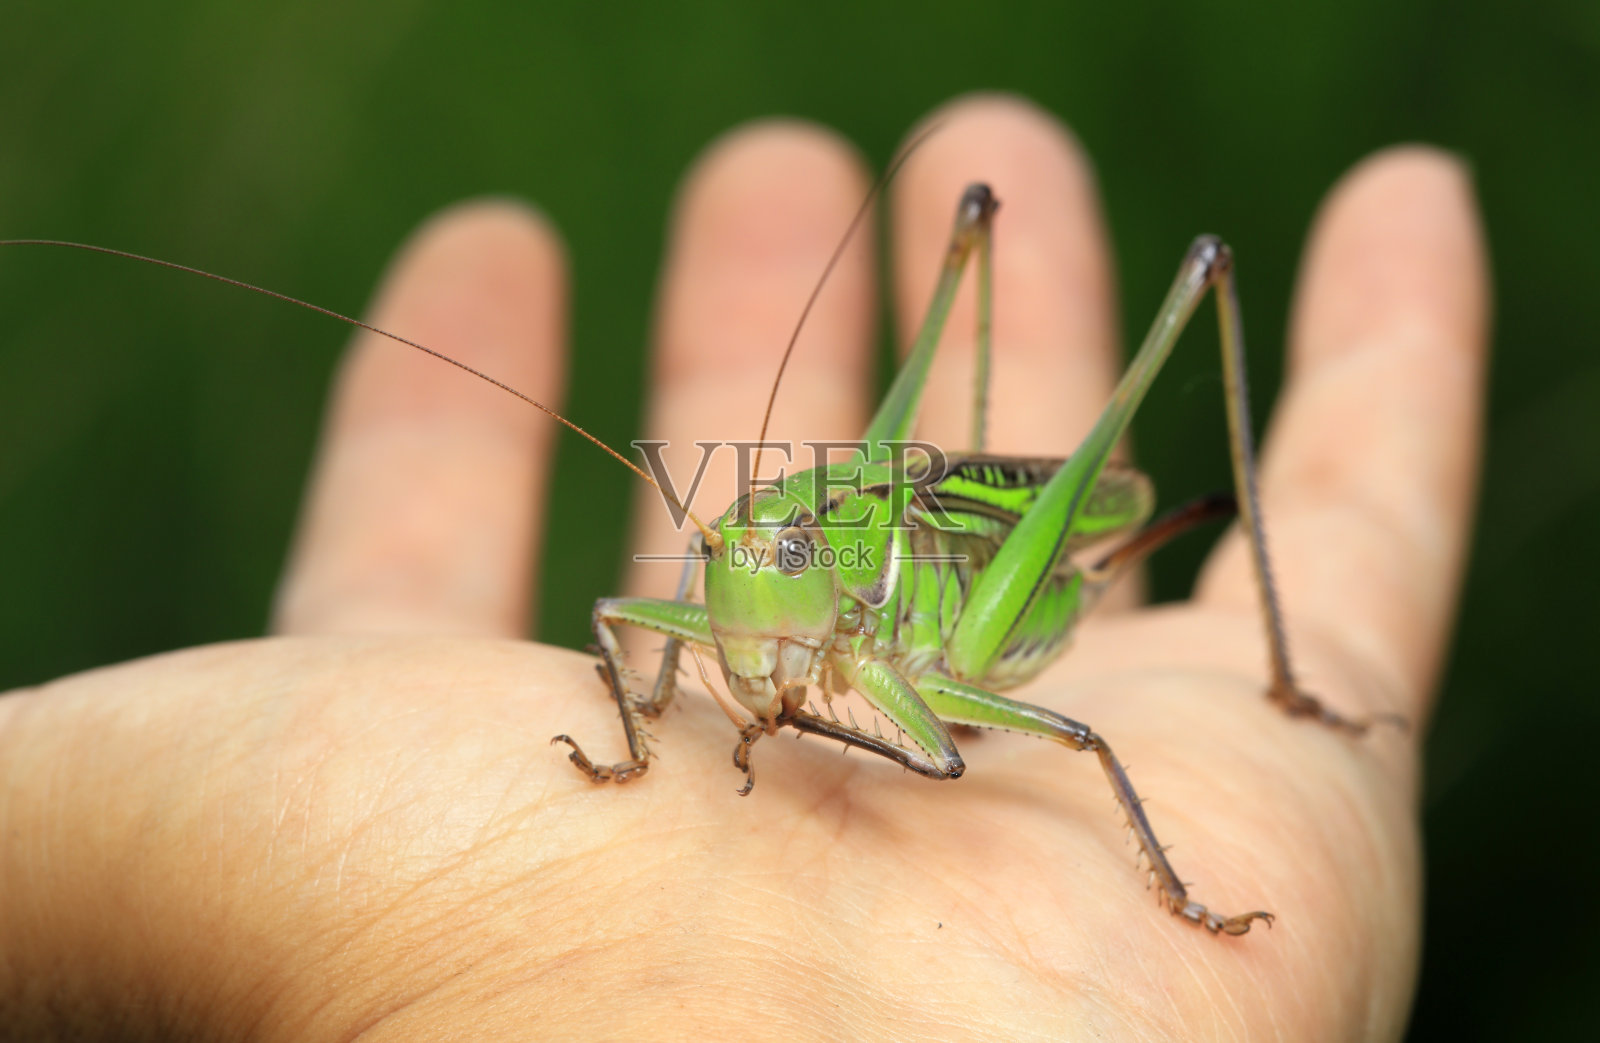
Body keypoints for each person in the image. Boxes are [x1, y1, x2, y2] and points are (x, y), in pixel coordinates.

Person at [0, 95, 1487, 1039]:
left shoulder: (859, 583)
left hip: (983, 612)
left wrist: (841, 697)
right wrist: (648, 727)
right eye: (726, 583)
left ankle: (1288, 678)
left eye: (753, 589)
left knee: (1183, 296)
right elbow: (615, 613)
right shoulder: (737, 562)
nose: (730, 614)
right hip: (890, 569)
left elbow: (994, 754)